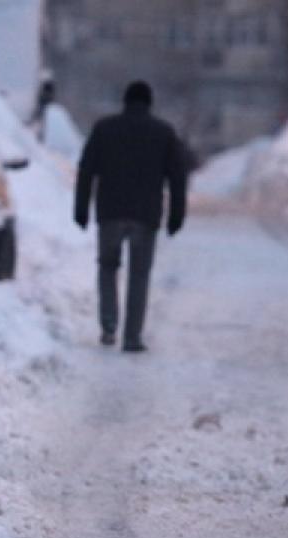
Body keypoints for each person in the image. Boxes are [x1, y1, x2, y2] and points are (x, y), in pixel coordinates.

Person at [74, 80, 186, 353]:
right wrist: (176, 216)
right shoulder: (163, 133)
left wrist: (81, 210)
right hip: (145, 216)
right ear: (149, 103)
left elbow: (86, 170)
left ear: (125, 101)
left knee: (107, 267)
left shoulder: (104, 129)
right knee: (139, 275)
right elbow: (177, 177)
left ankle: (109, 326)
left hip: (110, 213)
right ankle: (132, 337)